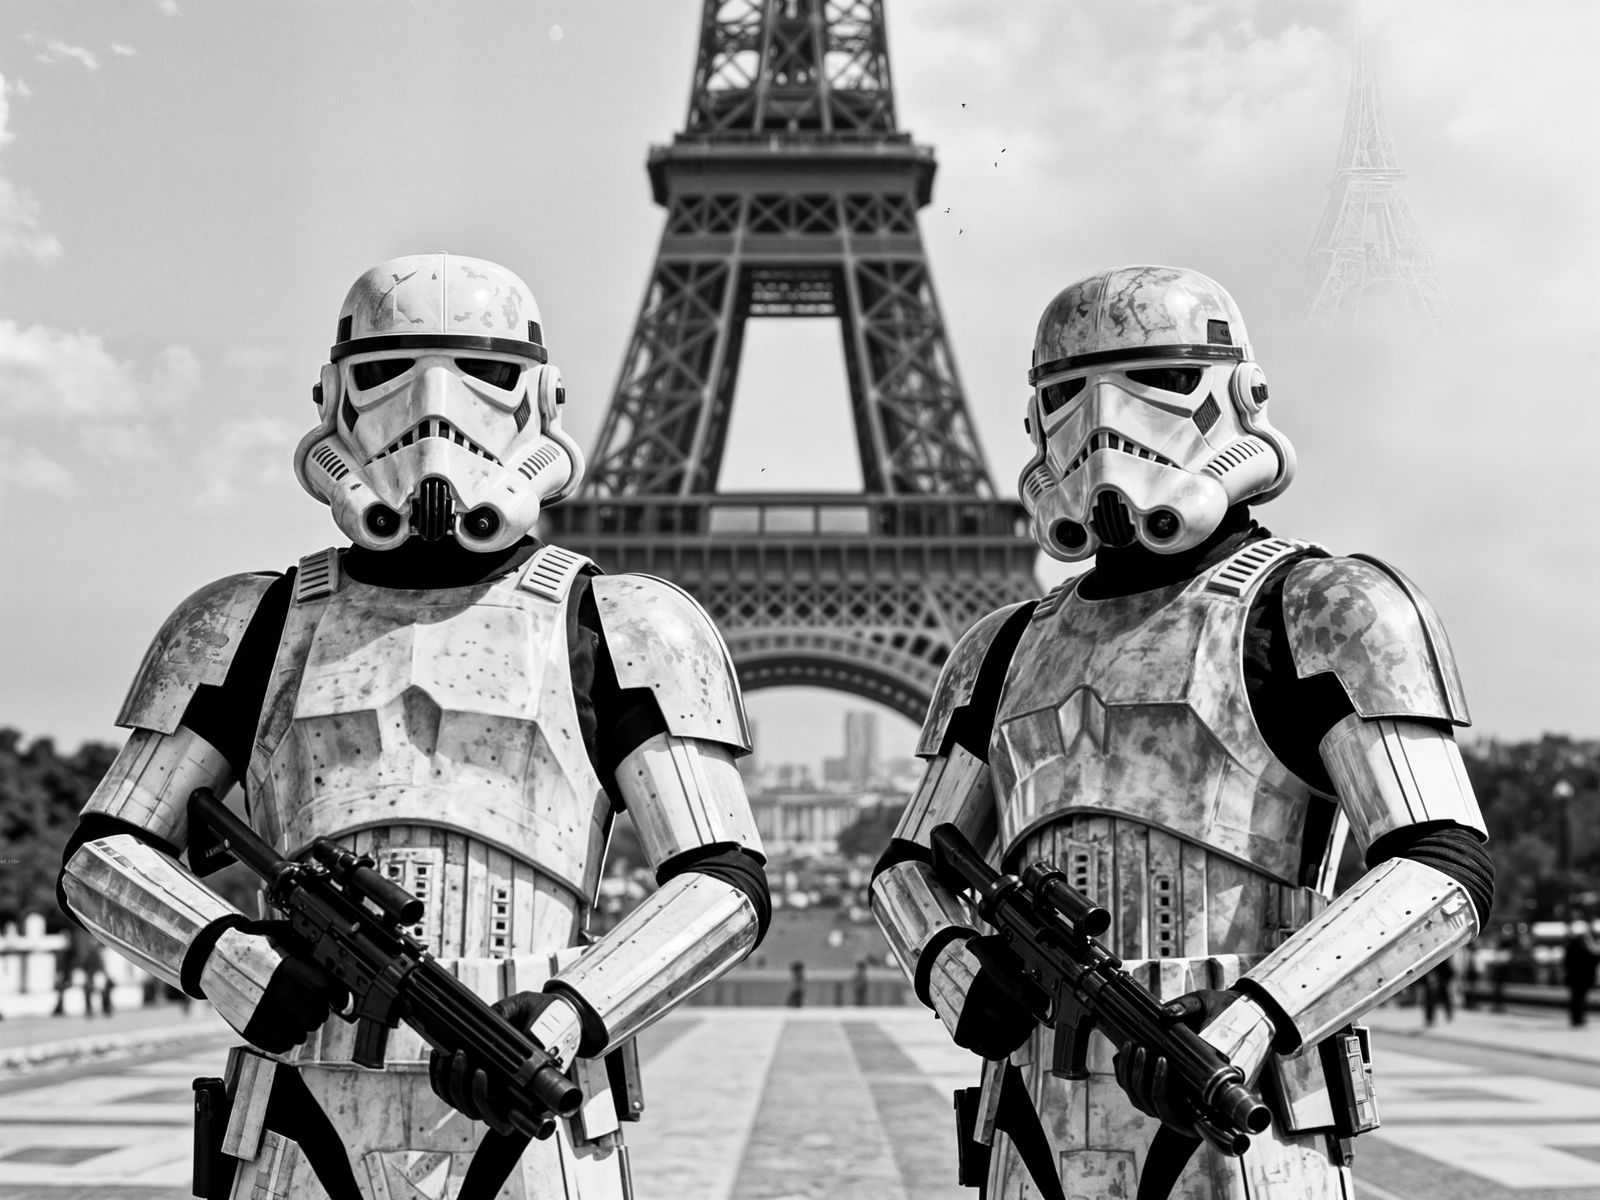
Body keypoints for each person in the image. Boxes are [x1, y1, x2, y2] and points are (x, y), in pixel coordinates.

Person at [55, 254, 770, 1200]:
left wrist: (562, 1017)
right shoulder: (247, 622)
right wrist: (226, 956)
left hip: (520, 1091)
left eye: (482, 373)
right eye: (392, 372)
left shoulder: (624, 624)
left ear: (541, 399)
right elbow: (103, 854)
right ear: (334, 399)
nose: (435, 410)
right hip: (302, 1098)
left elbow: (724, 883)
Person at [870, 266, 1495, 1199]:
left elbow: (1443, 865)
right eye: (1068, 395)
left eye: (1157, 380)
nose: (1102, 424)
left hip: (1238, 1099)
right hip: (1035, 1109)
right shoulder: (999, 647)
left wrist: (1251, 1017)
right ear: (1035, 419)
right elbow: (910, 865)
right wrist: (950, 961)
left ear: (1242, 395)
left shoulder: (1321, 609)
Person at [1563, 919, 1598, 1027]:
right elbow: (1594, 959)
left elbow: (1566, 963)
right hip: (1582, 979)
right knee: (1579, 999)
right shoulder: (1583, 948)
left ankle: (1576, 1018)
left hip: (1574, 978)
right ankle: (1578, 1018)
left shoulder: (1570, 947)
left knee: (1576, 998)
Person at [1421, 957, 1456, 1027]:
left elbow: (1448, 972)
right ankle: (1429, 1019)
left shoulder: (1441, 960)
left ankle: (1449, 1013)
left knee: (1445, 999)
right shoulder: (1427, 961)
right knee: (1429, 1001)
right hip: (1430, 983)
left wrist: (1445, 980)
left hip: (1441, 982)